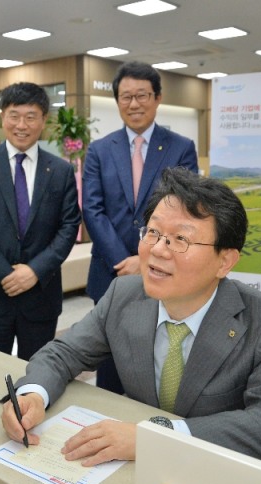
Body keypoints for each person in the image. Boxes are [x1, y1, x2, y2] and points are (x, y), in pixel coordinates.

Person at [1, 168, 261, 466]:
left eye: (180, 239)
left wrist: (156, 437)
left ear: (225, 261)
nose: (158, 249)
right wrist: (33, 394)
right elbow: (64, 353)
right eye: (153, 232)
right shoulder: (124, 294)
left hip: (208, 476)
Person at [82, 60, 198, 393]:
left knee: (157, 361)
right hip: (110, 272)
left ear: (158, 98)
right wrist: (125, 261)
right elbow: (92, 209)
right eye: (126, 96)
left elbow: (184, 210)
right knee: (109, 362)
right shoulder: (100, 150)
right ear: (117, 100)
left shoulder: (180, 148)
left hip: (163, 269)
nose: (134, 104)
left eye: (142, 95)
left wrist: (144, 258)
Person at [0, 82, 81, 361]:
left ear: (44, 120)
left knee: (37, 376)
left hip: (41, 297)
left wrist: (35, 271)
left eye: (30, 116)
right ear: (3, 117)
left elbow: (69, 225)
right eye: (14, 115)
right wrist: (6, 273)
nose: (21, 125)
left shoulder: (61, 170)